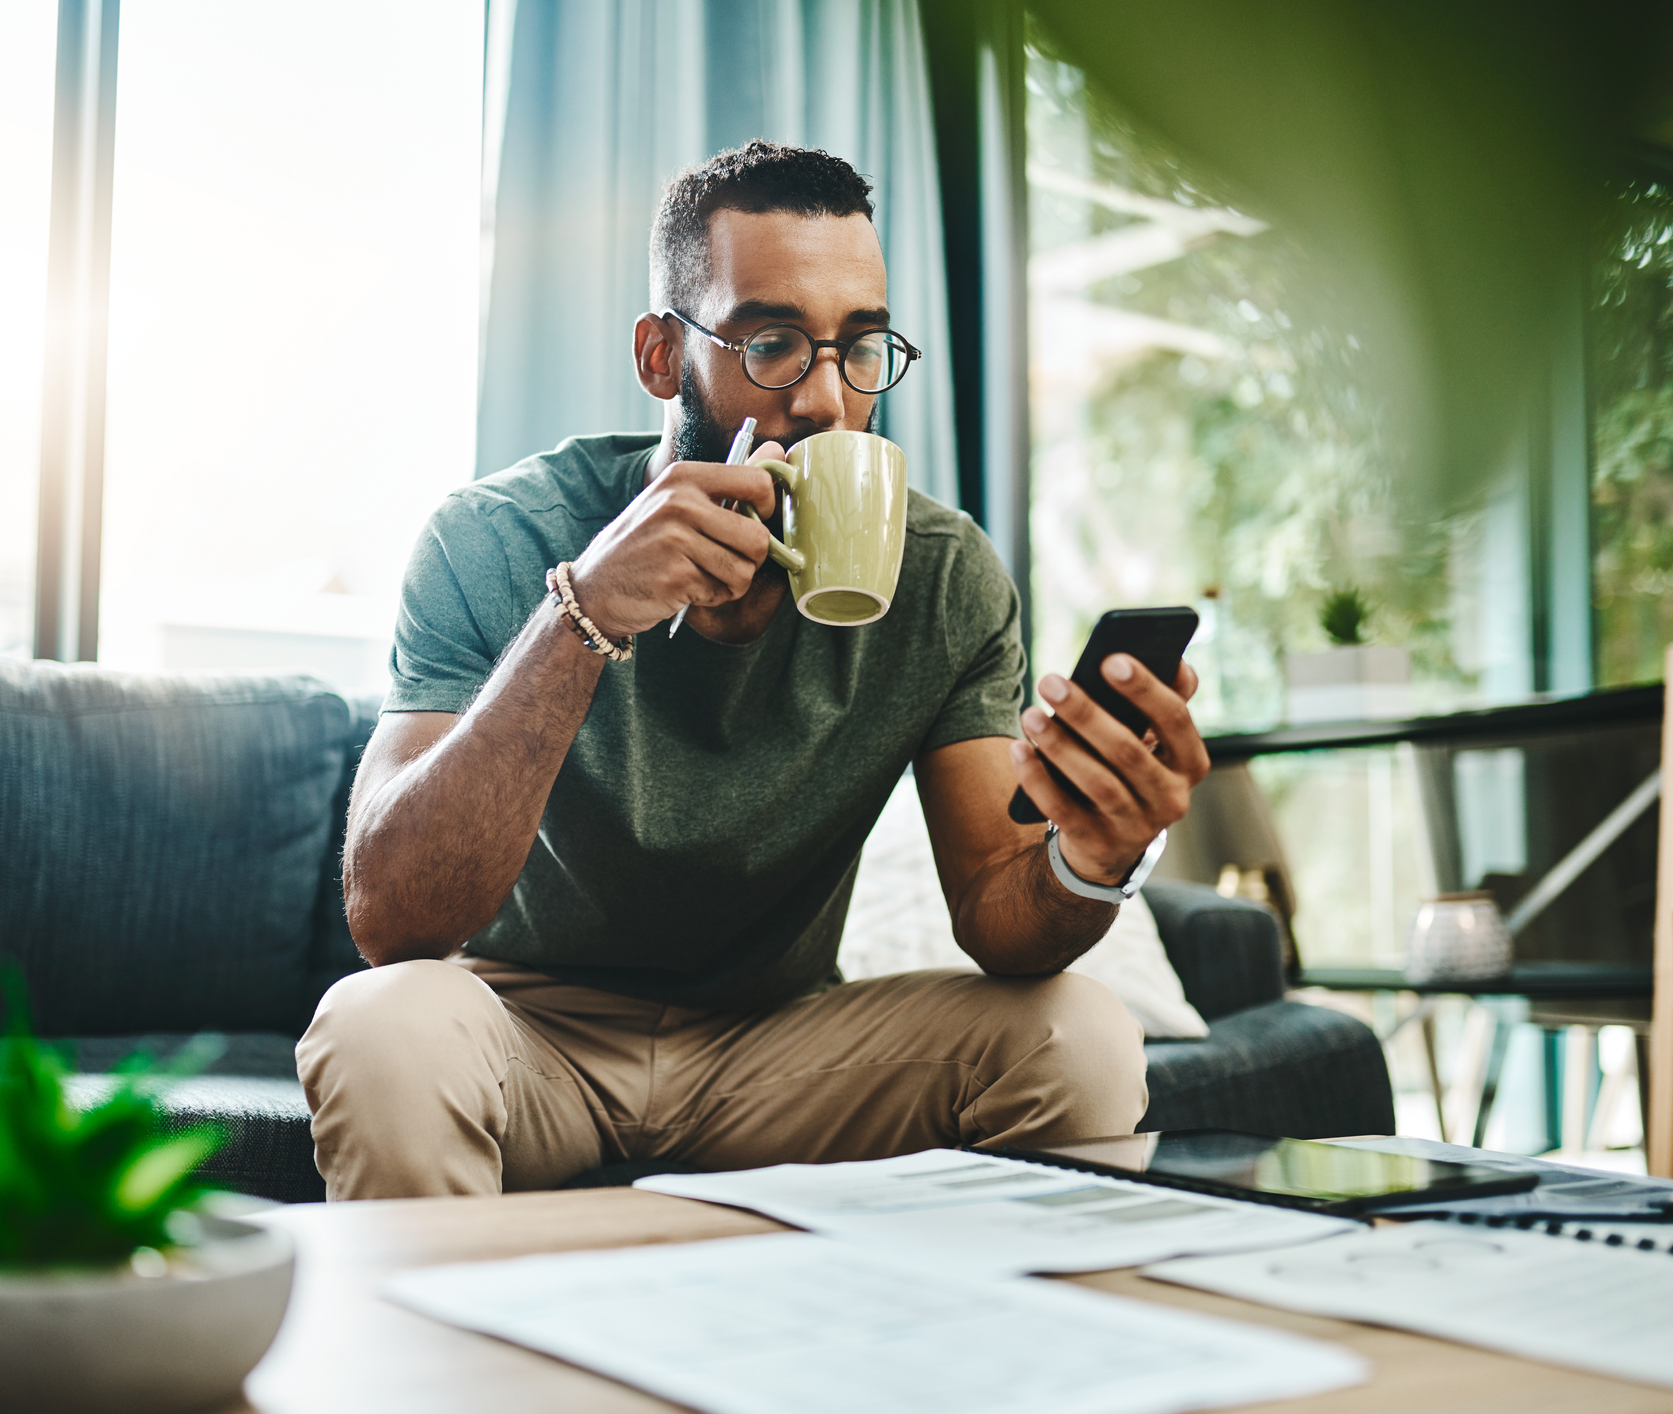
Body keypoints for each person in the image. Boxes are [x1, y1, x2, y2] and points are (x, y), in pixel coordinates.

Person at [297, 141, 1208, 1199]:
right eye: (772, 342)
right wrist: (580, 616)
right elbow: (392, 918)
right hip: (526, 1033)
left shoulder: (944, 577)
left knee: (1079, 1034)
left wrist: (1095, 855)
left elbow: (1003, 923)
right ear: (658, 356)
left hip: (782, 1051)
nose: (826, 400)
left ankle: (992, 1360)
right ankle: (449, 1364)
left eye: (861, 347)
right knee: (380, 1028)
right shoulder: (494, 538)